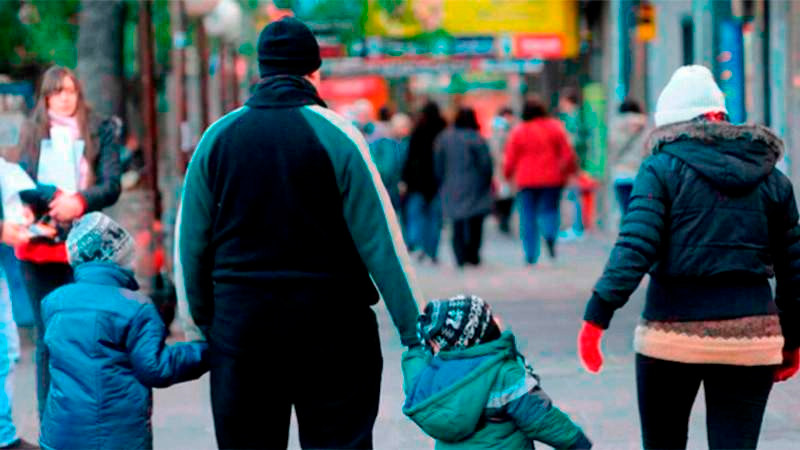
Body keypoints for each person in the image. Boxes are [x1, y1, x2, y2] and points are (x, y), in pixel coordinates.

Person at [175, 17, 423, 449]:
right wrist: (413, 331)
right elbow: (381, 243)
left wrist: (200, 326)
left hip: (243, 329)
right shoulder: (338, 135)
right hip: (333, 328)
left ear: (261, 71)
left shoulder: (217, 138)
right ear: (315, 72)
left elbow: (189, 245)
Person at [578, 65, 800, 450]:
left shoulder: (660, 168)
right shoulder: (772, 176)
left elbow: (635, 245)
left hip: (671, 333)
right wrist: (793, 339)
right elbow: (794, 269)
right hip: (751, 338)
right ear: (720, 116)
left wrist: (597, 316)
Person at [39, 212, 207, 450]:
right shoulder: (135, 307)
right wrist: (204, 351)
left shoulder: (53, 303)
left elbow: (48, 365)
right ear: (120, 257)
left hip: (59, 436)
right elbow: (155, 368)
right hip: (117, 440)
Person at [15, 65, 122, 417]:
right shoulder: (32, 131)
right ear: (45, 97)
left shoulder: (100, 128)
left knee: (86, 334)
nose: (64, 97)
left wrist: (79, 200)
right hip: (41, 246)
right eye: (57, 91)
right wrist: (43, 203)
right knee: (49, 336)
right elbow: (21, 183)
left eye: (70, 90)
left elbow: (111, 184)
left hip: (85, 246)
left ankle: (87, 415)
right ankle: (51, 420)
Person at [402, 295, 592, 450]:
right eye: (490, 317)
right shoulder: (503, 373)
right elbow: (540, 417)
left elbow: (415, 365)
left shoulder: (432, 375)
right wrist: (576, 442)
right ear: (479, 334)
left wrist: (418, 348)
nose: (498, 319)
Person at [504, 96, 577, 266]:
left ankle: (530, 254)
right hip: (552, 178)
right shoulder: (555, 127)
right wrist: (567, 172)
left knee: (527, 216)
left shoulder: (519, 131)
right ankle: (550, 235)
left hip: (526, 180)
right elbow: (567, 154)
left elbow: (510, 157)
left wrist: (507, 175)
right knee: (549, 210)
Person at [434, 107, 493, 268]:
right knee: (475, 222)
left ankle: (460, 255)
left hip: (451, 184)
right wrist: (486, 182)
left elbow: (438, 163)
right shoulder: (477, 138)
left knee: (457, 222)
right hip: (475, 185)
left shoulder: (444, 138)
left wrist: (441, 180)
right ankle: (473, 254)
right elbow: (486, 164)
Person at [402, 101, 446, 263]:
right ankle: (432, 251)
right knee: (434, 218)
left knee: (417, 216)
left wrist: (405, 179)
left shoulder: (417, 132)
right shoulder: (443, 132)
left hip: (417, 183)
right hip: (437, 182)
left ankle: (419, 246)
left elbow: (409, 159)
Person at [608, 99, 648, 218]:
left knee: (626, 211)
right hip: (640, 173)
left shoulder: (615, 127)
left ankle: (627, 235)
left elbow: (612, 151)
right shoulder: (645, 126)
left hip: (621, 174)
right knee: (640, 212)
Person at [557, 88, 586, 241]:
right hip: (574, 162)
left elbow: (573, 142)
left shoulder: (573, 118)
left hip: (572, 163)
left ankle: (575, 227)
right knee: (573, 195)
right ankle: (575, 227)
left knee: (573, 195)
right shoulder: (575, 117)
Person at [368, 112, 410, 210]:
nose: (406, 130)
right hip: (385, 188)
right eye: (403, 127)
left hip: (397, 190)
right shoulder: (382, 144)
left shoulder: (405, 144)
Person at [489, 107, 516, 234]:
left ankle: (503, 219)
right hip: (502, 168)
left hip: (505, 168)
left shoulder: (503, 129)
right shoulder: (500, 130)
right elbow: (496, 150)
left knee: (505, 195)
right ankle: (503, 219)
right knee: (503, 196)